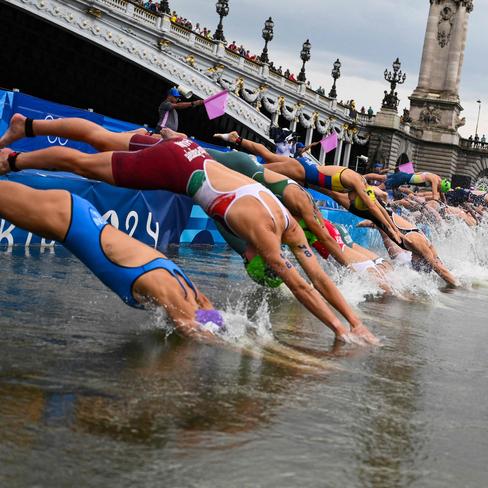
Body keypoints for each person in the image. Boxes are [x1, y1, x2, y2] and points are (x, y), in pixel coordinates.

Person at [0, 114, 377, 344]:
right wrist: (341, 332)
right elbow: (302, 286)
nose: (246, 259)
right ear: (259, 254)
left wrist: (355, 322)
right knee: (85, 165)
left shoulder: (286, 220)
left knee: (100, 141)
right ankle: (12, 161)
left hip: (192, 153)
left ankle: (29, 128)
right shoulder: (262, 234)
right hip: (177, 167)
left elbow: (316, 281)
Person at [0, 180, 224, 341]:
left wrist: (229, 334)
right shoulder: (175, 295)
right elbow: (192, 332)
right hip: (68, 220)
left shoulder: (195, 295)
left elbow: (213, 317)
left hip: (76, 217)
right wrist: (244, 353)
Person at [214, 131, 405, 248]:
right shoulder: (357, 182)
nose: (353, 200)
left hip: (307, 176)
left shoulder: (360, 188)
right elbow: (373, 208)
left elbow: (378, 208)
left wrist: (393, 228)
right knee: (258, 168)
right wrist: (390, 228)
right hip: (303, 171)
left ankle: (236, 140)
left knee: (268, 156)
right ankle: (227, 160)